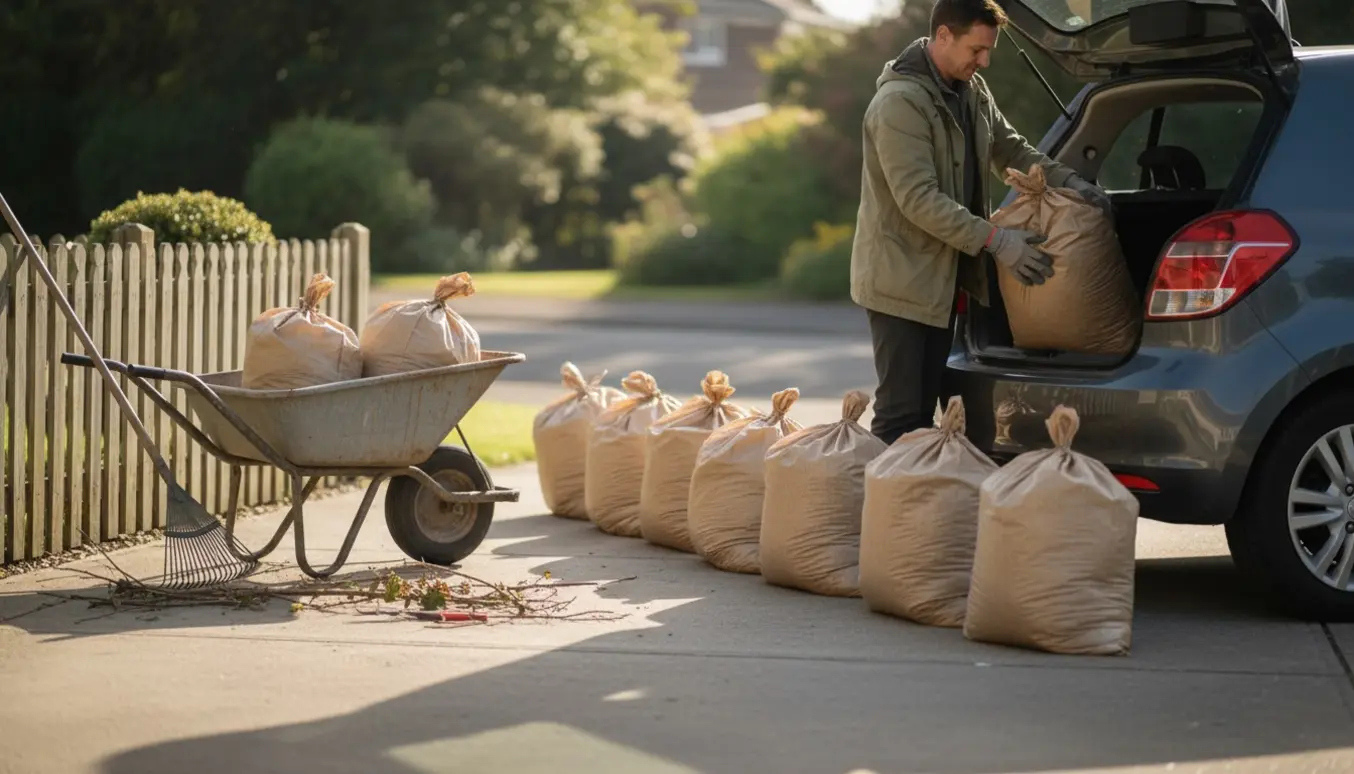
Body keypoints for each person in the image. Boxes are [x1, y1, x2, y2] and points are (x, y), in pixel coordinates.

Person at [850, 0, 1111, 446]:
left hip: (945, 277)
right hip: (901, 283)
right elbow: (918, 199)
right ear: (944, 35)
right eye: (977, 49)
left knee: (931, 410)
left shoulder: (971, 90)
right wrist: (998, 240)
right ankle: (883, 514)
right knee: (901, 416)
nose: (984, 60)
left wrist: (1074, 184)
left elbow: (1011, 149)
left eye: (989, 51)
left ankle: (916, 507)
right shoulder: (898, 104)